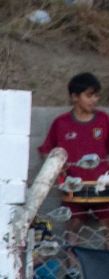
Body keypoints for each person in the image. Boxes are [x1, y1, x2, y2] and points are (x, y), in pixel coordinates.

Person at [39, 73, 109, 254]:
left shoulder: (103, 119)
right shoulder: (61, 123)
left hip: (101, 187)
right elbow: (47, 150)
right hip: (73, 187)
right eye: (89, 95)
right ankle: (72, 267)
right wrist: (57, 168)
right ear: (75, 97)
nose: (94, 100)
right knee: (73, 229)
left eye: (96, 95)